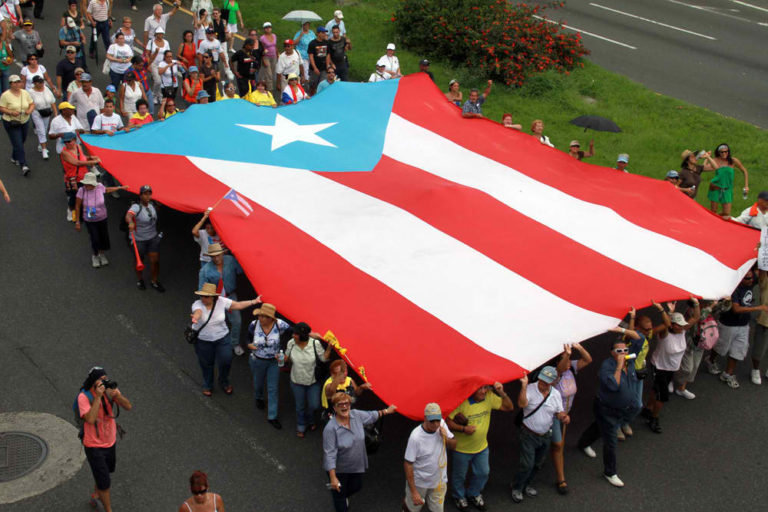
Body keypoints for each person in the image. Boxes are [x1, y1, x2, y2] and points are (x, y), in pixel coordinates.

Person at [577, 328, 643, 488]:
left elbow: (639, 338)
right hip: (606, 409)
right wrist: (619, 366)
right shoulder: (608, 366)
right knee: (610, 440)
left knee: (599, 428)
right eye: (618, 350)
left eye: (625, 350)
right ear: (612, 352)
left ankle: (583, 443)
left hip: (623, 409)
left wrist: (621, 329)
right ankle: (610, 472)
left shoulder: (631, 359)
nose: (622, 352)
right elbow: (613, 385)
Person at [323, 393, 397, 512]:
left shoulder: (356, 415)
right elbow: (329, 455)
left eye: (346, 403)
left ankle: (344, 494)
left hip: (357, 465)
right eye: (340, 404)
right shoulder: (330, 429)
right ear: (335, 408)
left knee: (356, 486)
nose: (344, 407)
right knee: (339, 498)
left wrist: (387, 411)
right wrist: (333, 478)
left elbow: (372, 415)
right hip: (340, 470)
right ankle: (340, 498)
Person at [445, 382, 514, 511]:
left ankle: (473, 493)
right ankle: (458, 496)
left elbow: (508, 407)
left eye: (485, 388)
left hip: (482, 447)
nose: (484, 391)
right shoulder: (462, 401)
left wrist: (502, 393)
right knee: (459, 476)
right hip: (462, 449)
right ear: (471, 390)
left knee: (483, 472)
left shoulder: (489, 397)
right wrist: (463, 429)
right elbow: (447, 422)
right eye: (480, 389)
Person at [77, 366, 132, 512]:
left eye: (105, 378)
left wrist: (117, 396)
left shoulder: (109, 390)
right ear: (93, 382)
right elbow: (90, 419)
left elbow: (128, 406)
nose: (105, 382)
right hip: (93, 445)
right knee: (105, 483)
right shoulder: (84, 397)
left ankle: (96, 494)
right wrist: (98, 397)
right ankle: (108, 510)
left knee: (105, 473)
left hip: (110, 442)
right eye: (101, 380)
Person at [510, 367, 568, 503]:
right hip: (528, 434)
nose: (543, 384)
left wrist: (563, 417)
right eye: (542, 380)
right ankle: (517, 487)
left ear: (553, 382)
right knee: (527, 464)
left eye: (547, 382)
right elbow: (521, 404)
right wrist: (524, 386)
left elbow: (559, 412)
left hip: (545, 435)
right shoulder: (530, 388)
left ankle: (526, 484)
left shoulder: (556, 394)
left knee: (538, 463)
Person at [190, 282, 259, 396]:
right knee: (206, 363)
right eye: (202, 295)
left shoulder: (222, 301)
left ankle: (223, 381)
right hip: (203, 341)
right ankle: (208, 384)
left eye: (206, 296)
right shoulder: (197, 304)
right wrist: (195, 318)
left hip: (222, 338)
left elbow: (238, 305)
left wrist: (254, 301)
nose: (203, 298)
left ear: (213, 297)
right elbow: (198, 312)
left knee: (226, 360)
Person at [706, 271, 766, 388]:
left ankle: (728, 374)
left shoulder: (750, 282)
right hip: (729, 324)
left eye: (751, 278)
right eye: (747, 279)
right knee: (721, 347)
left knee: (738, 349)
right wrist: (758, 307)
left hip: (744, 325)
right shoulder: (733, 289)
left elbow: (761, 271)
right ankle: (710, 360)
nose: (751, 280)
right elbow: (736, 309)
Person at [646, 300, 700, 433]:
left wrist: (697, 304)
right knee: (663, 396)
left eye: (683, 325)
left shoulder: (681, 331)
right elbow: (666, 323)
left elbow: (696, 318)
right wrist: (664, 311)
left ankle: (647, 409)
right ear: (672, 325)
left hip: (671, 369)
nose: (682, 327)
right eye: (679, 325)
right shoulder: (664, 333)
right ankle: (654, 418)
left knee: (656, 389)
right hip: (659, 368)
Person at [548, 343, 592, 495]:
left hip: (565, 414)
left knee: (558, 444)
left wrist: (578, 348)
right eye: (566, 360)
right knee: (559, 444)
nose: (568, 363)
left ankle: (556, 470)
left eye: (569, 360)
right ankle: (561, 479)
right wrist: (565, 356)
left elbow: (588, 359)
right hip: (552, 414)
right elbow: (559, 370)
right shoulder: (554, 373)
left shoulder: (572, 367)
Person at [404, 402, 457, 512]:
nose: (435, 424)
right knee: (411, 508)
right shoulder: (416, 437)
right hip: (420, 483)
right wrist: (414, 492)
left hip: (439, 482)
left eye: (437, 420)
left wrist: (445, 438)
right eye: (432, 421)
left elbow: (454, 445)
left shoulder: (442, 424)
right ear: (425, 419)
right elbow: (408, 464)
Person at [247, 302, 291, 429]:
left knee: (273, 388)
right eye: (260, 316)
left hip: (273, 361)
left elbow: (294, 334)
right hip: (257, 360)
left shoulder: (280, 325)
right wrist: (249, 345)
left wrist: (309, 334)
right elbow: (247, 339)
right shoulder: (253, 325)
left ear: (271, 318)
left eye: (264, 316)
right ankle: (258, 397)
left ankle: (272, 416)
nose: (261, 318)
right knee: (258, 383)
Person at [285, 321, 333, 437]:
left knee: (314, 405)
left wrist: (329, 348)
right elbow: (286, 357)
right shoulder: (291, 343)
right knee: (300, 406)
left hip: (313, 382)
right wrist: (281, 358)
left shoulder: (315, 344)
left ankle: (311, 419)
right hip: (296, 381)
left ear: (303, 336)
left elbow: (323, 358)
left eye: (296, 334)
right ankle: (301, 424)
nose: (293, 335)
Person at [199, 242, 244, 354]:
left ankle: (234, 343)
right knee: (216, 323)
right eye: (213, 256)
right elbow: (201, 290)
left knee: (237, 321)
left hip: (230, 296)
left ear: (222, 253)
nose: (216, 258)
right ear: (210, 257)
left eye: (218, 255)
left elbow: (241, 270)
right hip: (215, 300)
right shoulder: (205, 271)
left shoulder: (231, 261)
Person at [74, 172, 126, 267]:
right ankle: (95, 255)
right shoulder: (82, 191)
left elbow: (107, 190)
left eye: (90, 184)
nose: (88, 186)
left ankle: (102, 254)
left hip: (102, 218)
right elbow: (77, 206)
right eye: (87, 184)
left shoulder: (99, 187)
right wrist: (77, 221)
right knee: (95, 238)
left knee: (103, 237)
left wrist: (119, 188)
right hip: (90, 220)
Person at [125, 184, 164, 292]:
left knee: (155, 261)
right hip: (139, 239)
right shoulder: (136, 207)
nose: (147, 196)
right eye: (145, 194)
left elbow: (152, 216)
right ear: (140, 195)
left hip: (152, 238)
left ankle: (154, 281)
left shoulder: (152, 205)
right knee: (139, 260)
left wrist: (158, 206)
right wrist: (131, 221)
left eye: (149, 194)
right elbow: (128, 215)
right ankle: (140, 279)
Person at [60, 131, 100, 221]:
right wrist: (92, 162)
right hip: (73, 179)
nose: (67, 144)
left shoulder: (78, 147)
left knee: (90, 196)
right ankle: (70, 211)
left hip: (84, 177)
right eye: (65, 142)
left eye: (69, 141)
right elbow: (77, 162)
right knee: (74, 198)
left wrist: (90, 157)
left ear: (74, 140)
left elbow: (82, 157)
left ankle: (91, 215)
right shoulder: (64, 153)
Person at [0, 74, 34, 175]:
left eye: (18, 82)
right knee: (18, 143)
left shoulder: (25, 93)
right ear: (10, 84)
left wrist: (29, 110)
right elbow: (1, 108)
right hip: (11, 122)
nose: (17, 84)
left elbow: (32, 104)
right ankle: (24, 165)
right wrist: (11, 112)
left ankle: (15, 156)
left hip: (24, 120)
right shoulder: (5, 95)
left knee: (22, 140)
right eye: (14, 82)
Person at [707, 142, 749, 218]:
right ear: (718, 153)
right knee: (713, 211)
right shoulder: (715, 160)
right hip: (715, 187)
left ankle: (716, 218)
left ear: (728, 152)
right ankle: (712, 221)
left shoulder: (733, 161)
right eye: (722, 152)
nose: (724, 153)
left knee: (726, 213)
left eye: (726, 151)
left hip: (727, 189)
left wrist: (746, 186)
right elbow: (704, 168)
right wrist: (707, 157)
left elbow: (744, 171)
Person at [28, 74, 55, 159]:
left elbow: (52, 101)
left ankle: (41, 144)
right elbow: (29, 103)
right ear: (35, 83)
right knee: (41, 130)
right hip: (37, 113)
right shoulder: (30, 92)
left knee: (45, 129)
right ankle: (44, 149)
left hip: (47, 112)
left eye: (42, 82)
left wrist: (56, 113)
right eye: (40, 82)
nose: (42, 83)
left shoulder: (46, 89)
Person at [147, 26, 171, 104]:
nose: (160, 35)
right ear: (156, 34)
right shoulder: (151, 42)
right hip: (154, 64)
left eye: (161, 34)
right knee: (157, 81)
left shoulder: (166, 42)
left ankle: (160, 95)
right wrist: (148, 65)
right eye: (159, 34)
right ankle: (154, 95)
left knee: (161, 81)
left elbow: (168, 53)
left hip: (162, 64)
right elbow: (147, 54)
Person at [307, 26, 329, 95]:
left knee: (323, 85)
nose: (324, 34)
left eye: (325, 33)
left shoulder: (326, 43)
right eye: (322, 33)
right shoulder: (312, 43)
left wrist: (328, 65)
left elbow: (328, 55)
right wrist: (315, 68)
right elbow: (311, 56)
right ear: (318, 33)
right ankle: (311, 97)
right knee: (313, 86)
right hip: (314, 69)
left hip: (323, 69)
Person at [259, 22, 277, 93]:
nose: (268, 29)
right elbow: (261, 49)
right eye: (266, 27)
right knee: (268, 74)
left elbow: (275, 46)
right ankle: (270, 90)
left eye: (269, 27)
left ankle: (265, 86)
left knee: (272, 73)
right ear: (264, 29)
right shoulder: (262, 38)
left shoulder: (274, 36)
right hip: (266, 57)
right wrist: (263, 59)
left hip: (274, 56)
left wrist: (277, 55)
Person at [0, 30, 14, 95]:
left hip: (5, 69)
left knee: (5, 91)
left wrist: (9, 62)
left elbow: (11, 56)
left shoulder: (5, 45)